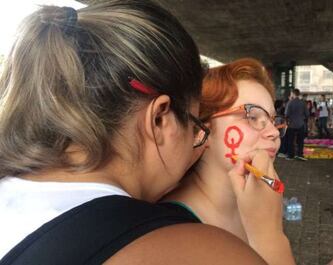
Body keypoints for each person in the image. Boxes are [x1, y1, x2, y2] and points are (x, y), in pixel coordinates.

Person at [0, 3, 276, 264]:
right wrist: (267, 231)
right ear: (159, 119)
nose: (198, 143)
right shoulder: (190, 249)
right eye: (195, 125)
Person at [165, 58, 296, 264]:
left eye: (272, 120)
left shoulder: (256, 206)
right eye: (252, 117)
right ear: (200, 132)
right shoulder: (172, 232)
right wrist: (269, 236)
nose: (272, 132)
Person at [285, 88, 309, 161]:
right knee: (300, 140)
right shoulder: (303, 103)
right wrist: (302, 118)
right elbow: (307, 114)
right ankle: (299, 154)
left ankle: (290, 155)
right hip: (301, 124)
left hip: (291, 124)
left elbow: (286, 114)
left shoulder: (290, 102)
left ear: (293, 94)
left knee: (290, 140)